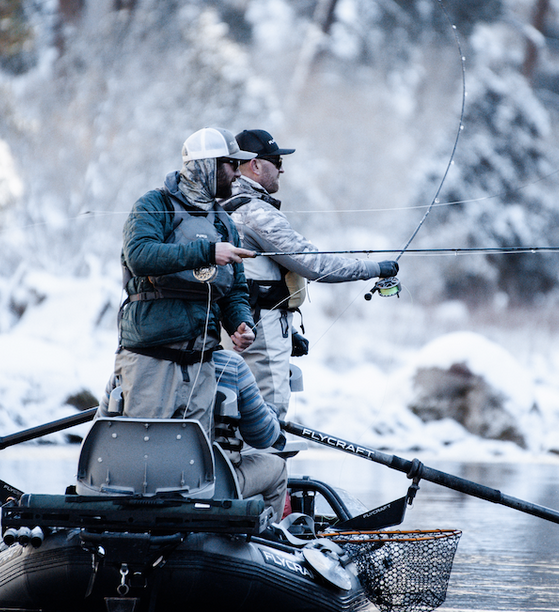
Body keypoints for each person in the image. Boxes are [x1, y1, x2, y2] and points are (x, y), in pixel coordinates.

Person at [220, 129, 398, 419]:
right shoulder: (255, 213)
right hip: (260, 332)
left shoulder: (223, 207)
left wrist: (288, 331)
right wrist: (374, 268)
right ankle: (263, 463)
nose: (282, 168)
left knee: (237, 412)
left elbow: (254, 275)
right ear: (254, 165)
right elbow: (313, 264)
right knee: (267, 412)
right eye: (276, 161)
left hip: (243, 326)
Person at [98, 127, 258, 439]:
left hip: (201, 364)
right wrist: (208, 252)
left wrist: (241, 322)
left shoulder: (224, 223)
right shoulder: (153, 205)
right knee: (141, 457)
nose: (238, 175)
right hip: (150, 361)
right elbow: (140, 256)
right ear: (208, 165)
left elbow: (235, 289)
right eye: (232, 165)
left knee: (190, 462)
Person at [212, 349, 287, 519]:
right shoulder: (230, 363)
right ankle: (268, 538)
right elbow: (262, 436)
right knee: (278, 467)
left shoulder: (140, 361)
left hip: (146, 483)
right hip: (213, 484)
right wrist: (271, 412)